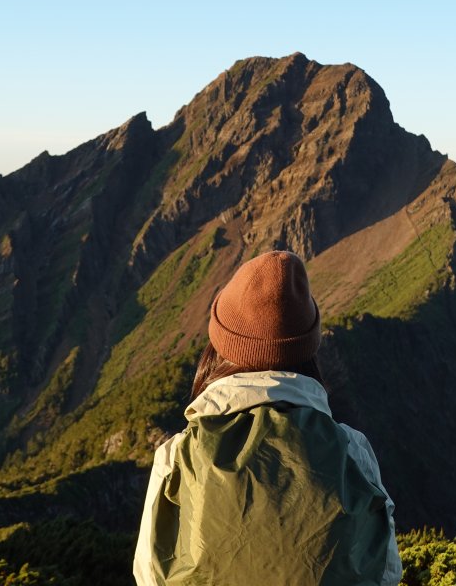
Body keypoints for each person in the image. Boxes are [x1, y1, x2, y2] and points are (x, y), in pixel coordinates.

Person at [133, 250, 402, 586]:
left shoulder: (176, 457)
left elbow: (149, 575)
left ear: (219, 348)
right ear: (308, 352)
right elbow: (385, 571)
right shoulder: (353, 450)